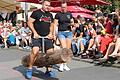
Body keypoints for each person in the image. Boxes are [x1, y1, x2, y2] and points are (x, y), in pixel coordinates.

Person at [26, 0, 56, 79]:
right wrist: (34, 32)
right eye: (46, 5)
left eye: (49, 5)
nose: (47, 7)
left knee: (50, 53)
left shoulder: (50, 14)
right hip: (37, 36)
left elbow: (52, 25)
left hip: (47, 36)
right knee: (35, 51)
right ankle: (29, 69)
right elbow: (29, 22)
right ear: (42, 5)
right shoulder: (36, 13)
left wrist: (51, 33)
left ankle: (48, 70)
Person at [54, 2, 74, 72]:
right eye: (62, 7)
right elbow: (55, 24)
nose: (63, 8)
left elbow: (72, 22)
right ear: (61, 7)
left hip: (69, 32)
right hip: (61, 32)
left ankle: (65, 64)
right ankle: (61, 65)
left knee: (68, 50)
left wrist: (71, 24)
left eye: (65, 7)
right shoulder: (58, 14)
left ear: (67, 7)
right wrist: (54, 34)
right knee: (64, 48)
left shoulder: (69, 14)